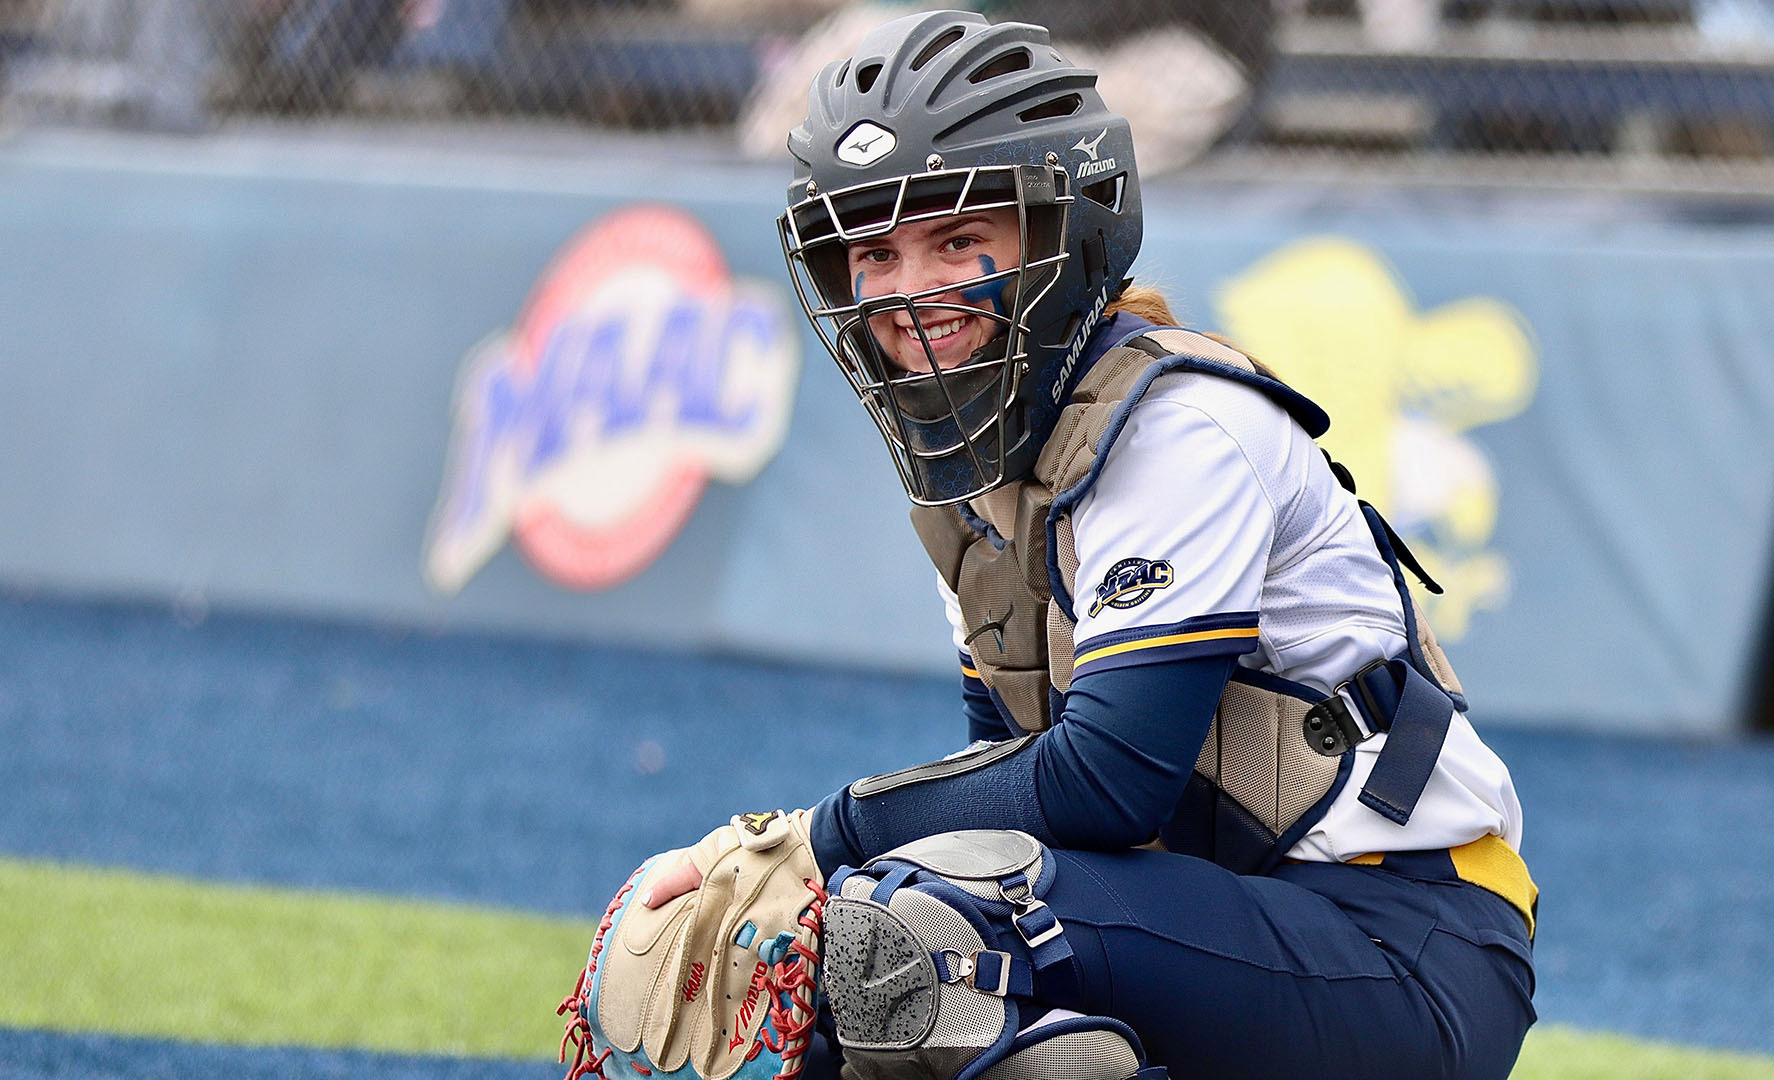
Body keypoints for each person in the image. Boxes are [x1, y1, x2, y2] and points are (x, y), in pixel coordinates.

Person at [614, 10, 1537, 1080]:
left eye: (960, 240)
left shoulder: (1178, 427)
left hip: (1406, 942)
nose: (912, 290)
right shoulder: (985, 477)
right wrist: (829, 903)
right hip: (1217, 927)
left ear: (1064, 234)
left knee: (923, 932)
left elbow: (1106, 784)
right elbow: (1015, 784)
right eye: (874, 251)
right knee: (849, 971)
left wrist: (812, 841)